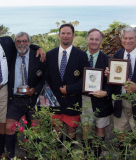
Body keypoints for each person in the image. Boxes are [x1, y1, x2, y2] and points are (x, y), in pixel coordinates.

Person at [0, 21, 45, 159]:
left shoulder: (7, 43)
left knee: (2, 122)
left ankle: (1, 152)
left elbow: (24, 44)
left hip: (4, 91)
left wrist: (39, 47)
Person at [105, 26, 136, 155]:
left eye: (131, 38)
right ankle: (123, 156)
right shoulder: (118, 54)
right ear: (121, 39)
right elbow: (115, 81)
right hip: (121, 103)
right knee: (120, 134)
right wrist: (109, 75)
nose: (127, 41)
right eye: (125, 38)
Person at [45, 24, 89, 152]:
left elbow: (85, 80)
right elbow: (46, 79)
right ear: (59, 35)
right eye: (63, 33)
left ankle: (69, 155)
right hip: (55, 102)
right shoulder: (50, 54)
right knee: (56, 130)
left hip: (73, 101)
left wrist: (70, 89)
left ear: (73, 36)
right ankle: (57, 154)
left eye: (68, 33)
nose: (65, 36)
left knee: (71, 130)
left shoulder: (81, 55)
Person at [5, 32, 46, 159]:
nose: (22, 44)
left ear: (29, 42)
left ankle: (33, 155)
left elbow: (45, 78)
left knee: (36, 128)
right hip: (16, 99)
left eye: (24, 41)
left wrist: (35, 89)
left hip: (33, 99)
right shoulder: (11, 56)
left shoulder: (38, 57)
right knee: (8, 127)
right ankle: (11, 156)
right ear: (15, 43)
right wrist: (36, 46)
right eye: (18, 41)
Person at [81, 28, 113, 158]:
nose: (94, 41)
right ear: (87, 39)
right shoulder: (79, 57)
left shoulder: (108, 59)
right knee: (86, 128)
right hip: (84, 98)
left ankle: (98, 155)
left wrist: (105, 92)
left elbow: (112, 82)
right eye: (91, 38)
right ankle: (86, 154)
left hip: (101, 99)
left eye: (97, 39)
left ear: (101, 41)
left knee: (100, 128)